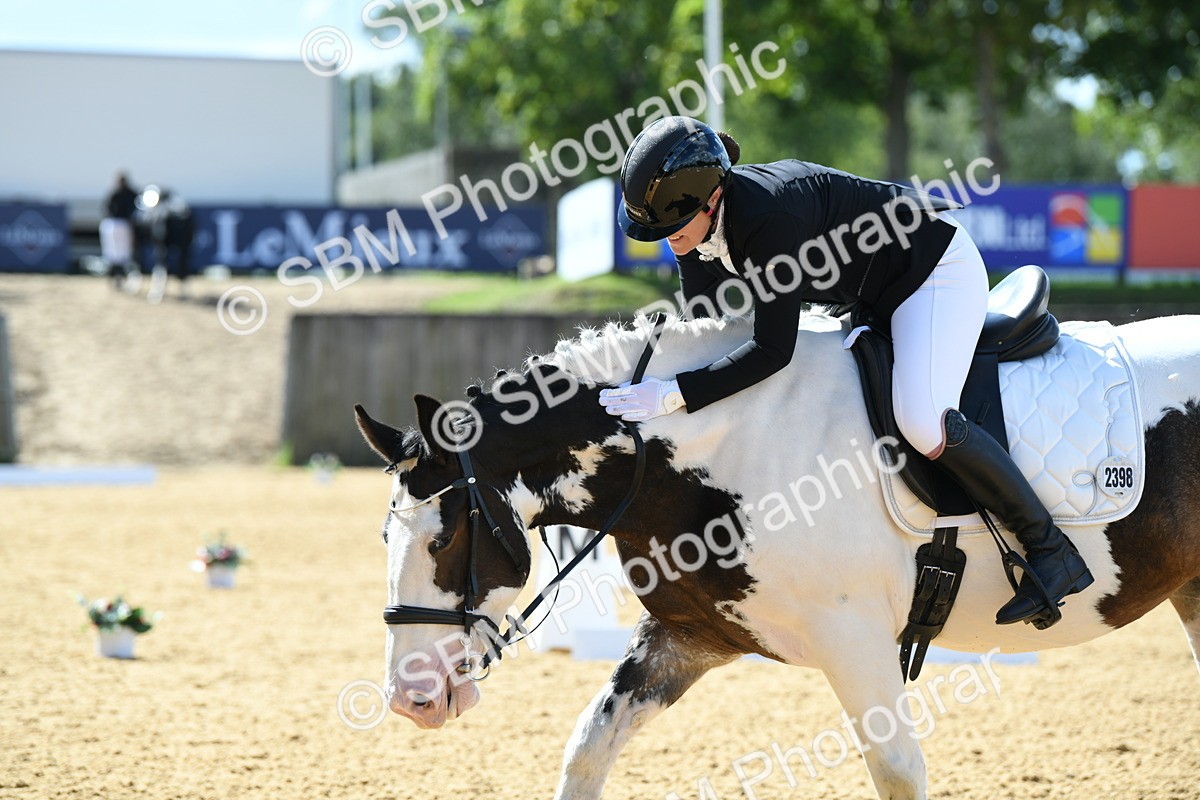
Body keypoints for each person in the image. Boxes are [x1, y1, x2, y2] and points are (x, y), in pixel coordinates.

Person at [598, 116, 1092, 629]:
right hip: (869, 295)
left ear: (710, 201)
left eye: (673, 230)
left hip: (932, 274)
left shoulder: (766, 219)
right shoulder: (698, 232)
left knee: (923, 420)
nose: (669, 242)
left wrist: (676, 393)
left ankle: (1050, 548)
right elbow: (709, 329)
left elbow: (772, 351)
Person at [100, 173, 138, 289]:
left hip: (119, 224)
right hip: (116, 224)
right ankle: (115, 277)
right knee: (115, 253)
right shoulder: (116, 193)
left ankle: (120, 278)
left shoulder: (121, 193)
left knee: (120, 253)